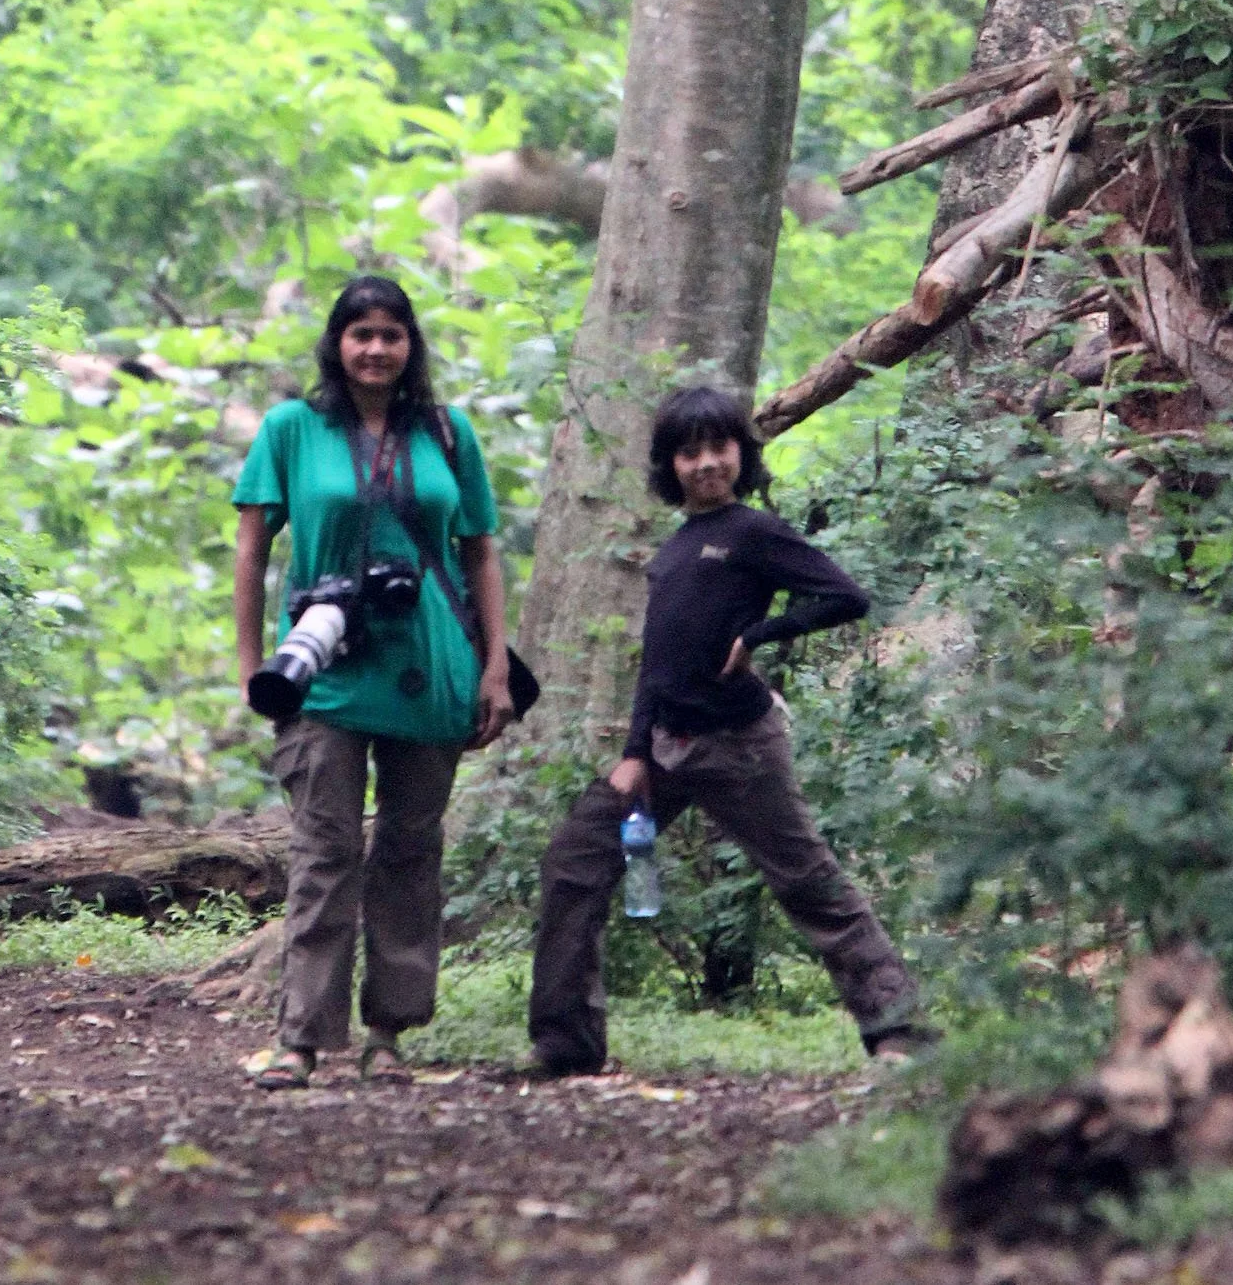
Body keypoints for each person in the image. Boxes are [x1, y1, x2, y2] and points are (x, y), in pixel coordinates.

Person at [527, 382, 925, 1075]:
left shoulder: (753, 531)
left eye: (719, 447)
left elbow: (845, 596)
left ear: (741, 453)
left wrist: (761, 633)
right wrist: (633, 753)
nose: (706, 462)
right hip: (663, 750)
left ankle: (899, 1032)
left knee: (808, 881)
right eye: (689, 453)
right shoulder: (678, 547)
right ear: (669, 465)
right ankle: (566, 1043)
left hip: (741, 748)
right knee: (574, 862)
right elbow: (656, 661)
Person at [233, 274, 514, 1088]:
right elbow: (252, 552)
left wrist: (494, 665)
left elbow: (481, 551)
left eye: (392, 334)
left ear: (410, 345)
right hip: (325, 667)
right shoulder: (291, 429)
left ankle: (389, 1032)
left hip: (431, 668)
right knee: (324, 849)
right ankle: (302, 1038)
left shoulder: (448, 434)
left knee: (409, 849)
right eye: (362, 334)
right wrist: (252, 666)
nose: (377, 348)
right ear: (337, 343)